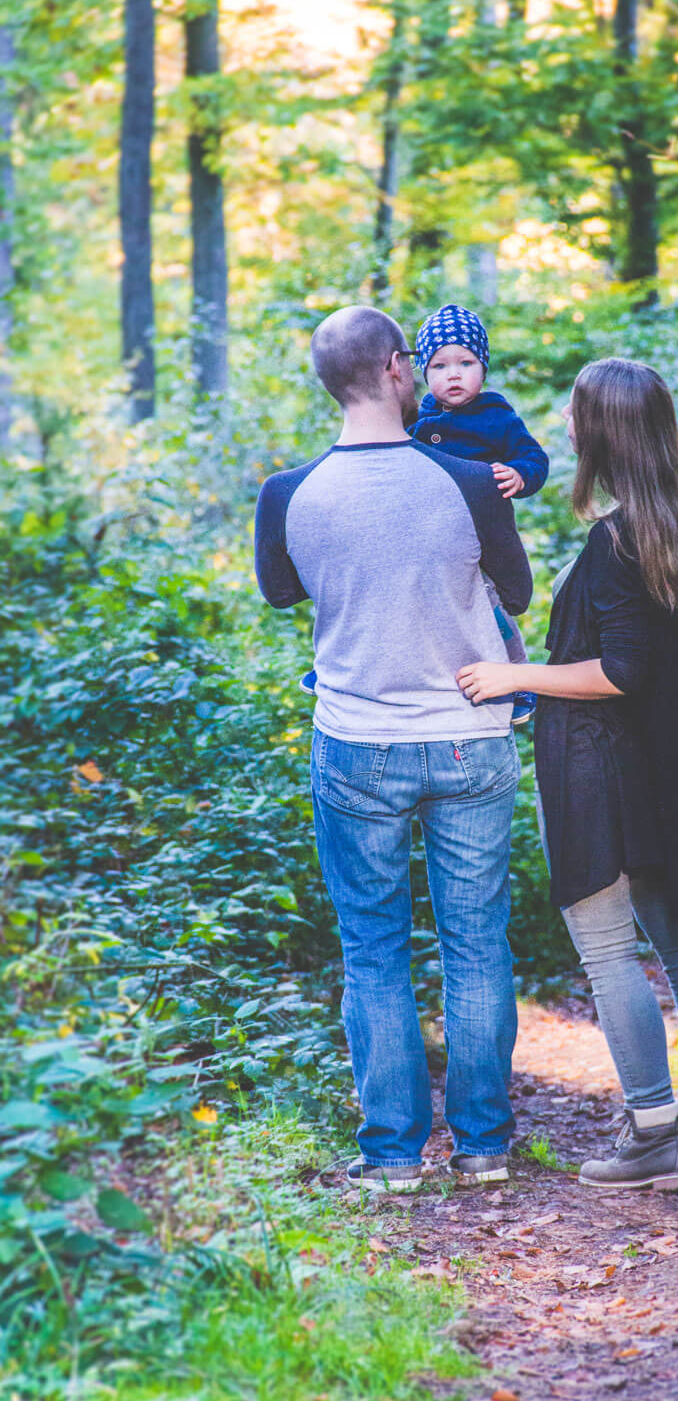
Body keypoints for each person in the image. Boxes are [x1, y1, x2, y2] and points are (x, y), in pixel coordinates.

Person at [457, 357, 678, 1192]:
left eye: (574, 411)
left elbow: (622, 669)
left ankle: (655, 1130)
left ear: (603, 431)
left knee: (608, 952)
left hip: (599, 766)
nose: (561, 422)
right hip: (666, 768)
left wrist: (517, 677)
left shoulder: (617, 538)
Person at [255, 304, 532, 1193]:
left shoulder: (289, 494)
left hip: (357, 742)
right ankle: (485, 1148)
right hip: (470, 739)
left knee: (373, 948)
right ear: (394, 370)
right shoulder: (465, 480)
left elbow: (280, 592)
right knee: (477, 940)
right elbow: (518, 594)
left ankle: (392, 1159)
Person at [299, 303, 548, 724]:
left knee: (492, 609)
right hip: (419, 529)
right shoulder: (417, 415)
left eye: (466, 363)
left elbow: (535, 458)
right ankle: (334, 668)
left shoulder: (497, 415)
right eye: (439, 365)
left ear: (483, 368)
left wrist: (520, 475)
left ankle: (517, 679)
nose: (454, 374)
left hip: (478, 534)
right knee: (382, 595)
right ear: (418, 372)